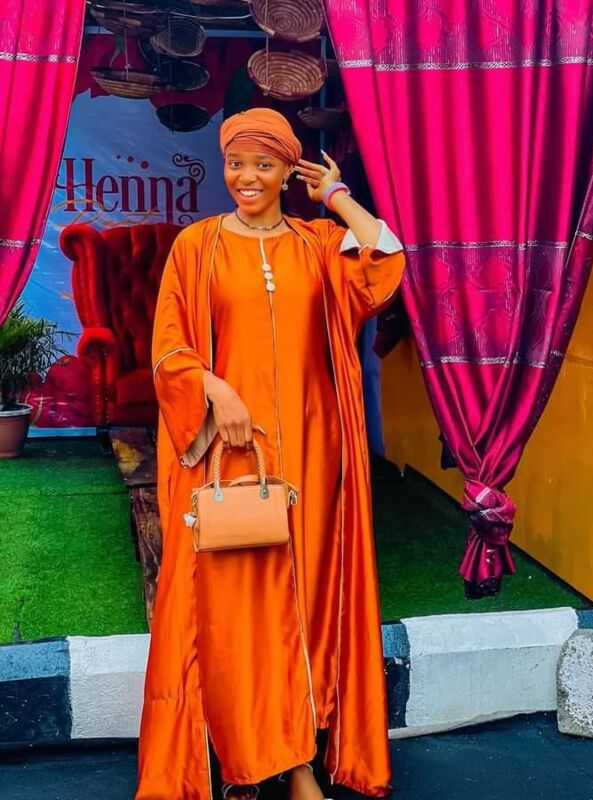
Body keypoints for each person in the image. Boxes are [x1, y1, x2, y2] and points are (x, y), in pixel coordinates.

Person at [135, 108, 405, 800]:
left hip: (314, 455)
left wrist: (336, 196)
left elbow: (384, 259)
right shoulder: (197, 246)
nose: (246, 177)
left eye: (263, 164)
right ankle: (242, 755)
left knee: (305, 605)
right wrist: (212, 386)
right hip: (234, 453)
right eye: (235, 163)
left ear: (289, 171)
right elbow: (168, 346)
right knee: (236, 607)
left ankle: (298, 759)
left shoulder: (320, 244)